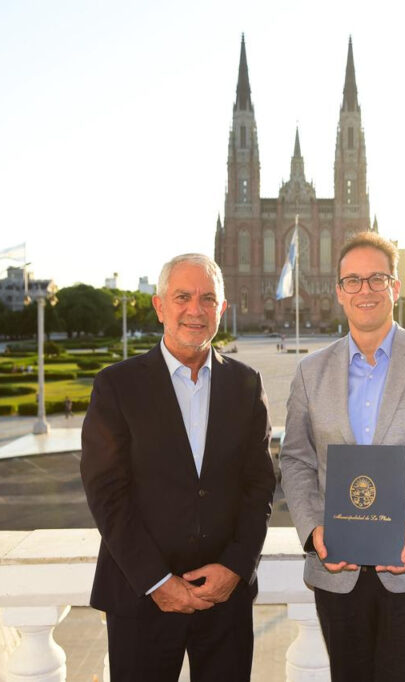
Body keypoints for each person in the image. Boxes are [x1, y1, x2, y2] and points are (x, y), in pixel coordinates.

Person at [279, 232, 405, 682]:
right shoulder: (310, 373)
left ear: (396, 286)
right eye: (352, 280)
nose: (365, 290)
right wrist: (314, 528)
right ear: (338, 291)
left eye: (377, 278)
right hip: (339, 574)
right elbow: (295, 460)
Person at [81, 253, 276, 681]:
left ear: (222, 309)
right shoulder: (117, 385)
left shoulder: (246, 385)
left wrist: (235, 567)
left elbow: (259, 485)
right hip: (140, 598)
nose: (195, 310)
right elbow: (107, 493)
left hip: (224, 601)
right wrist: (156, 581)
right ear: (159, 306)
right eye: (183, 296)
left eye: (208, 299)